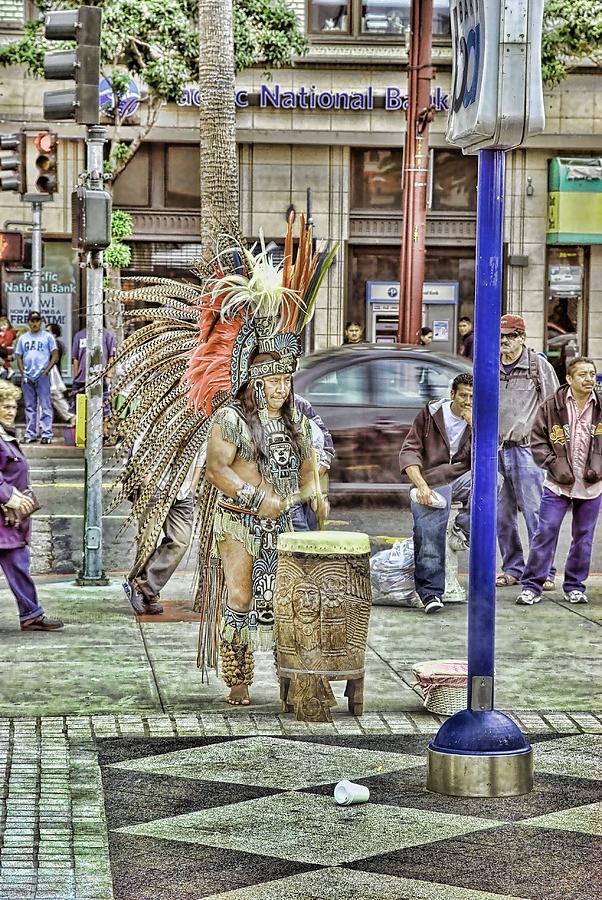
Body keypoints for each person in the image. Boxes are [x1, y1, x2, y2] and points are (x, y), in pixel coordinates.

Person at [516, 358, 602, 606]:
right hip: (557, 484)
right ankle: (532, 586)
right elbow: (538, 441)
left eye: (592, 374)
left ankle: (575, 586)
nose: (588, 379)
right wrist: (554, 465)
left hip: (592, 486)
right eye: (583, 375)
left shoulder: (600, 405)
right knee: (545, 532)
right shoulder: (551, 406)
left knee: (584, 538)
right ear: (569, 379)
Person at [399, 373, 473, 614]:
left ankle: (463, 528)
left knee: (495, 481)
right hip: (432, 480)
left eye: (473, 396)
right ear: (452, 395)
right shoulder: (430, 415)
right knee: (428, 531)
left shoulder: (479, 419)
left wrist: (475, 424)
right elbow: (410, 451)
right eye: (463, 395)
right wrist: (420, 485)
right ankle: (430, 592)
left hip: (463, 478)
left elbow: (492, 455)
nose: (468, 401)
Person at [496, 314, 560, 588]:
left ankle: (544, 571)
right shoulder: (489, 366)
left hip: (526, 451)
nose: (504, 342)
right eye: (501, 337)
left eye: (511, 336)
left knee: (535, 512)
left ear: (521, 337)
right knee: (501, 515)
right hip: (495, 450)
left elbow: (554, 408)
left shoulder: (538, 366)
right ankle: (513, 568)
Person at [0, 381, 63, 631]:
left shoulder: (5, 436)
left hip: (10, 520)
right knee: (18, 563)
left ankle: (31, 613)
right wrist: (9, 497)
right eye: (5, 406)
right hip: (5, 517)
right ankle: (31, 614)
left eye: (14, 407)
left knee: (18, 564)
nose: (10, 411)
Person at [123, 441, 204, 616]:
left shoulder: (201, 420)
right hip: (156, 485)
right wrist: (148, 480)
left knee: (180, 541)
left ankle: (144, 587)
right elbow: (140, 448)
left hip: (182, 492)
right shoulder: (159, 414)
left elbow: (201, 455)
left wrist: (191, 488)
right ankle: (146, 593)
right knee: (148, 541)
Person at [289, 394, 334, 531]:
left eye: (286, 380)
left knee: (311, 534)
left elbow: (325, 442)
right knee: (302, 539)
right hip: (287, 494)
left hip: (306, 489)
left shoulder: (299, 404)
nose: (281, 390)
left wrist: (316, 494)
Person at [14, 311, 58, 445]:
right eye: (32, 321)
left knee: (45, 405)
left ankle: (46, 433)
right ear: (28, 322)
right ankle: (30, 433)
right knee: (29, 406)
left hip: (42, 375)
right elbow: (19, 356)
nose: (35, 323)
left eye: (37, 320)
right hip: (28, 376)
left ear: (41, 322)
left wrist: (46, 371)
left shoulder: (48, 337)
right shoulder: (23, 338)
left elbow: (55, 355)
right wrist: (22, 372)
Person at [71, 325, 116, 433]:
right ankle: (81, 432)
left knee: (104, 406)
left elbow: (112, 356)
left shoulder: (107, 335)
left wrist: (109, 375)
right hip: (82, 379)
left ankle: (103, 432)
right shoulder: (79, 335)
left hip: (101, 378)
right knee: (80, 407)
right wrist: (76, 375)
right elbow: (75, 358)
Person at [46, 323, 75, 428]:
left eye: (48, 331)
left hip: (52, 375)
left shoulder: (55, 345)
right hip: (50, 375)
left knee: (56, 396)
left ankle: (71, 416)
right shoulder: (55, 344)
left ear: (54, 334)